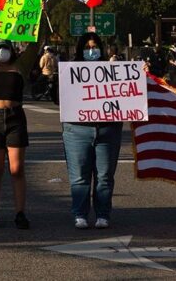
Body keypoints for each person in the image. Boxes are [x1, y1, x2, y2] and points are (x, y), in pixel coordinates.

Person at [0, 0, 41, 229]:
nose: (2, 49)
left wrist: (40, 13)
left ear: (12, 48)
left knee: (16, 169)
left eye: (6, 45)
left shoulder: (21, 66)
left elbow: (34, 45)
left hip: (15, 118)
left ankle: (20, 212)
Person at [62, 32, 124, 229]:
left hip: (107, 130)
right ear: (80, 49)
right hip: (77, 131)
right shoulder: (69, 71)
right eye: (87, 47)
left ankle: (103, 215)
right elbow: (59, 99)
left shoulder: (113, 70)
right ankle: (80, 214)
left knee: (104, 177)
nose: (91, 51)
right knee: (80, 177)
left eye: (94, 47)